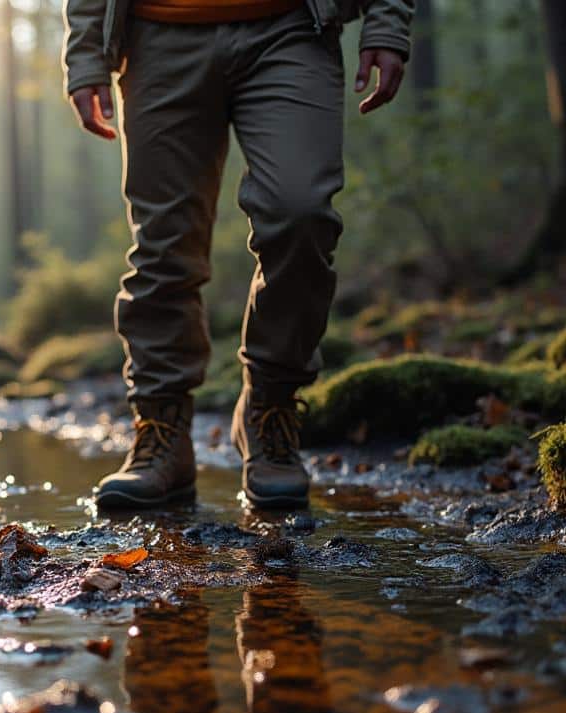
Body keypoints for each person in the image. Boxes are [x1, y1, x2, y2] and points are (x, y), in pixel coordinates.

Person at [64, 0, 413, 509]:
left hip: (291, 28)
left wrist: (386, 20)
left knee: (302, 213)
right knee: (164, 245)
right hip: (157, 36)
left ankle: (270, 410)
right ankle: (163, 434)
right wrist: (87, 54)